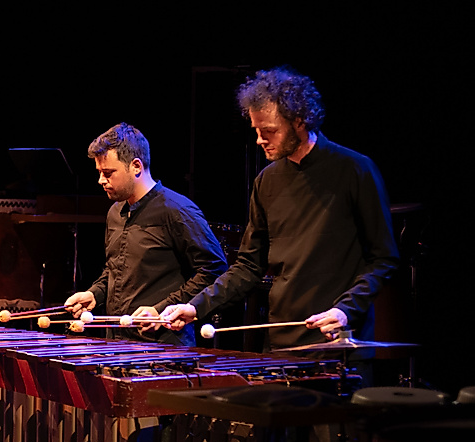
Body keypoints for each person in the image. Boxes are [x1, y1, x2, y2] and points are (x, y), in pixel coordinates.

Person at [159, 67, 400, 352]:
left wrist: (346, 310)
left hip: (339, 339)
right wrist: (195, 306)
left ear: (299, 121)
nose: (260, 139)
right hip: (280, 340)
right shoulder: (267, 181)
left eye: (269, 131)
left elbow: (383, 259)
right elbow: (248, 266)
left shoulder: (355, 170)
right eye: (257, 131)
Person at [63, 122, 227, 346]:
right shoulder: (115, 212)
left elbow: (214, 269)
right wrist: (95, 294)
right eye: (99, 173)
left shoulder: (177, 210)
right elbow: (114, 270)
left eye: (108, 173)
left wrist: (163, 310)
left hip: (164, 346)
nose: (101, 180)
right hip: (117, 342)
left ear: (136, 167)